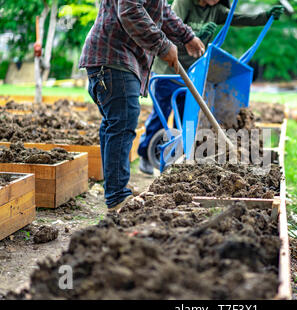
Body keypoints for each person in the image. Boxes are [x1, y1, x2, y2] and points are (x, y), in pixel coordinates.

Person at [79, 0, 205, 212]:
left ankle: (116, 189)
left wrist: (187, 36)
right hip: (113, 57)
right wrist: (163, 46)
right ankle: (117, 196)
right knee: (122, 122)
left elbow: (160, 9)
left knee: (115, 124)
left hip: (114, 58)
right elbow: (129, 10)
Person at [137, 0, 284, 174]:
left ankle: (181, 158)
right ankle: (145, 155)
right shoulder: (184, 4)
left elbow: (238, 18)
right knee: (161, 112)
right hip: (167, 69)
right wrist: (194, 35)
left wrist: (265, 16)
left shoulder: (216, 10)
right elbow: (168, 31)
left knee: (187, 118)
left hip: (192, 73)